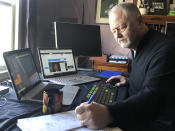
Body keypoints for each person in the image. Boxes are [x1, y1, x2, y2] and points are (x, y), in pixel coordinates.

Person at [75, 2, 175, 131]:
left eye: (122, 28)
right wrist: (129, 78)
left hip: (154, 123)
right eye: (113, 31)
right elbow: (150, 73)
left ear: (139, 20)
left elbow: (154, 97)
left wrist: (110, 113)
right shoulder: (140, 44)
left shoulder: (166, 49)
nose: (117, 35)